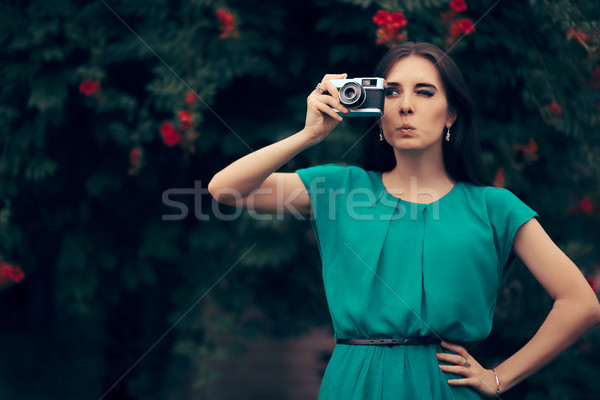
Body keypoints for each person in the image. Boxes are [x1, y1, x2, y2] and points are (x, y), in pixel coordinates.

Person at [208, 41, 600, 399]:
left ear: (452, 115)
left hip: (447, 388)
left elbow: (580, 303)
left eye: (424, 92)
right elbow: (224, 189)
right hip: (352, 386)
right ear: (378, 114)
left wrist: (499, 377)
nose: (405, 105)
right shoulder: (340, 188)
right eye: (391, 92)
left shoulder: (494, 207)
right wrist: (308, 136)